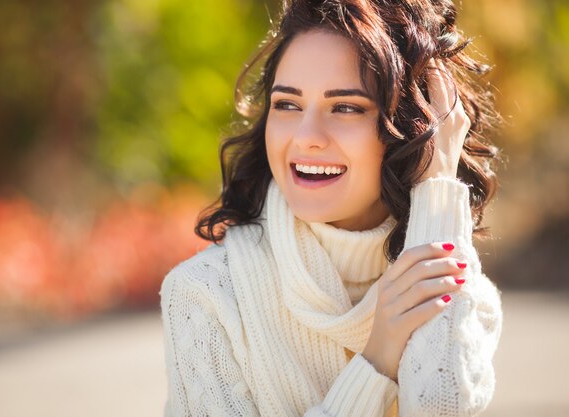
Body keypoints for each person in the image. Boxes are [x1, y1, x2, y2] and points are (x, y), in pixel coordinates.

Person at [160, 0, 503, 416]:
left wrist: (437, 190)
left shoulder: (465, 287)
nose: (306, 137)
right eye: (287, 104)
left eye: (345, 107)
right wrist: (377, 362)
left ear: (413, 127)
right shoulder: (206, 294)